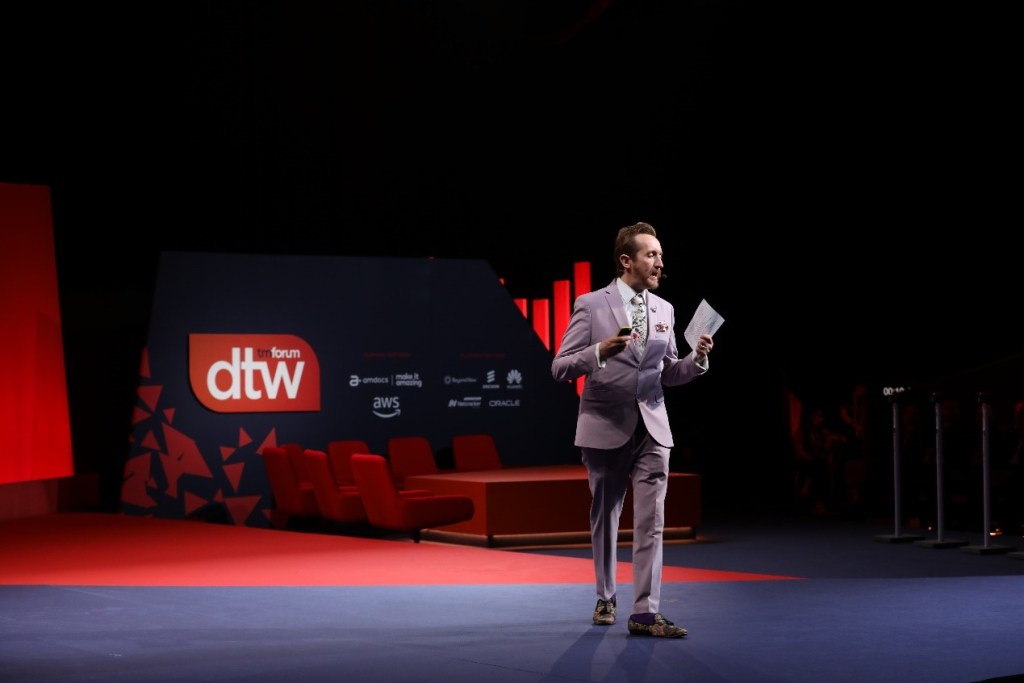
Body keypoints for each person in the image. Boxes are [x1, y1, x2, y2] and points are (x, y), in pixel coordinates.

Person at [551, 221, 714, 639]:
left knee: (652, 520)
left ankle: (645, 612)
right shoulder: (591, 304)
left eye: (660, 254)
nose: (660, 262)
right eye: (651, 254)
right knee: (606, 515)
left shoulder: (665, 310)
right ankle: (606, 595)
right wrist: (598, 351)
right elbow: (560, 366)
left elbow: (668, 372)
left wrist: (696, 360)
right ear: (627, 260)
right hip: (605, 425)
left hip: (653, 429)